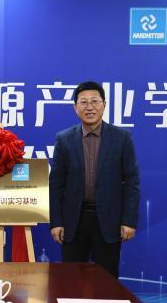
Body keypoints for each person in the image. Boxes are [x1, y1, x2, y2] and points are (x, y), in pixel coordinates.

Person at [48, 81, 140, 277]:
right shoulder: (64, 139)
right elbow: (56, 184)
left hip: (109, 221)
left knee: (107, 282)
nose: (89, 107)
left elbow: (131, 182)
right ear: (76, 107)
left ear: (104, 105)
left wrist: (129, 220)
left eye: (94, 101)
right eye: (83, 102)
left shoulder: (122, 138)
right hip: (74, 222)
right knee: (71, 280)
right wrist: (56, 222)